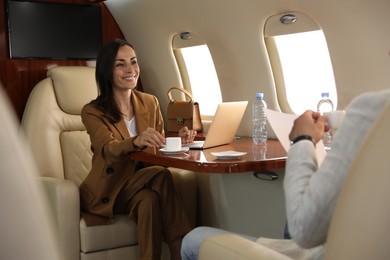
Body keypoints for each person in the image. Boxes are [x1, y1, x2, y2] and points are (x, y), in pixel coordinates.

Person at [181, 89, 390, 260]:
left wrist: (302, 139)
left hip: (329, 251)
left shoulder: (373, 108)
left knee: (194, 239)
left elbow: (304, 230)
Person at [80, 38, 197, 260]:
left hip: (140, 186)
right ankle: (178, 250)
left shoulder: (149, 102)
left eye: (133, 62)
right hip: (108, 190)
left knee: (149, 201)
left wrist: (179, 140)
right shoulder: (92, 111)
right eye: (120, 64)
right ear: (107, 71)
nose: (130, 69)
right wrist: (136, 140)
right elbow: (108, 149)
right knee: (161, 175)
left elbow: (159, 145)